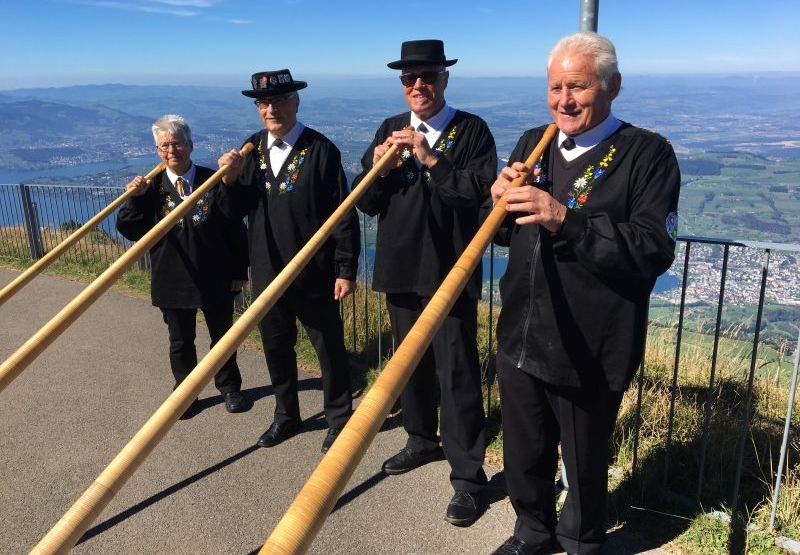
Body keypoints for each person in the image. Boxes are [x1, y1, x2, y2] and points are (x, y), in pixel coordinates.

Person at [488, 32, 681, 555]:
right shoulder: (534, 141)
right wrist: (499, 203)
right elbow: (506, 232)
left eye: (578, 86)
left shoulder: (649, 154)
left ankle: (581, 539)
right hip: (523, 333)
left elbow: (651, 249)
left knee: (585, 459)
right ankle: (531, 530)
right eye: (555, 87)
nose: (564, 101)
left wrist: (565, 219)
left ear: (612, 86)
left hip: (590, 343)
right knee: (524, 449)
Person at [352, 39, 497, 526]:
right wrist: (375, 171)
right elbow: (366, 204)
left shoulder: (471, 131)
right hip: (399, 269)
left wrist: (432, 159)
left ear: (445, 79)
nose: (419, 86)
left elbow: (478, 200)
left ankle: (468, 479)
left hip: (450, 273)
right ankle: (420, 438)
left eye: (428, 76)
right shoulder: (389, 129)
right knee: (409, 366)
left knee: (457, 375)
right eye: (409, 79)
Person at [217, 69, 359, 454]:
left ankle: (339, 418)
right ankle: (286, 415)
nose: (271, 109)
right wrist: (228, 181)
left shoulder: (322, 150)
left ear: (296, 102)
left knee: (328, 348)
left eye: (279, 101)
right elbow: (232, 211)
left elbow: (344, 213)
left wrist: (345, 268)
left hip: (314, 271)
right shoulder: (250, 149)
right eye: (263, 103)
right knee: (277, 347)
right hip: (266, 270)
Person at [117, 115, 251, 419]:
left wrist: (239, 272)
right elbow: (129, 228)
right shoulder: (150, 189)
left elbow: (234, 226)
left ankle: (230, 388)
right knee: (180, 341)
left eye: (177, 143)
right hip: (172, 278)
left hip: (215, 275)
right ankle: (186, 393)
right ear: (157, 151)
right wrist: (135, 201)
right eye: (164, 145)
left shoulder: (211, 179)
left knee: (222, 337)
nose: (171, 150)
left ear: (190, 146)